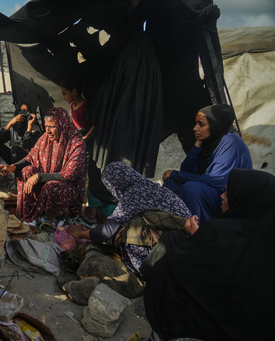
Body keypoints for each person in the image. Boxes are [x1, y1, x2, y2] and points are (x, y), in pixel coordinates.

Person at [142, 169, 275, 340]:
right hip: (254, 331)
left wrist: (194, 236)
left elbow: (190, 264)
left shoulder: (220, 232)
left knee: (170, 242)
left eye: (227, 193)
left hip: (201, 327)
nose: (221, 196)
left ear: (243, 199)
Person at [67, 162, 192, 275]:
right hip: (187, 242)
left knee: (130, 231)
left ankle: (145, 269)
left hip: (170, 248)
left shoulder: (134, 193)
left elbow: (108, 230)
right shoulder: (151, 186)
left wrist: (81, 233)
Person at [163, 104, 252, 223]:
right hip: (214, 191)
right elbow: (186, 170)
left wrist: (174, 174)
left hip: (228, 198)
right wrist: (197, 145)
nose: (195, 128)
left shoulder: (230, 142)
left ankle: (194, 232)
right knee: (171, 183)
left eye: (201, 124)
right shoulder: (210, 142)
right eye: (196, 124)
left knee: (191, 188)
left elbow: (215, 180)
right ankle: (167, 225)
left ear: (215, 125)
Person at [0, 107, 86, 223]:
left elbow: (68, 175)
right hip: (43, 183)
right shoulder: (45, 139)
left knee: (51, 187)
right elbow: (30, 157)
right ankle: (28, 215)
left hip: (65, 188)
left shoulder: (77, 144)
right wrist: (11, 167)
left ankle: (52, 219)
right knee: (26, 171)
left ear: (62, 125)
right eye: (46, 126)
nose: (48, 131)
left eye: (52, 127)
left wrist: (39, 177)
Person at [61, 79, 116, 223]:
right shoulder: (72, 106)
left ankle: (99, 211)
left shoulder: (86, 106)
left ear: (74, 91)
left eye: (65, 93)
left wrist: (84, 137)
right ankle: (92, 209)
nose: (63, 97)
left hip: (91, 143)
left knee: (95, 174)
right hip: (81, 142)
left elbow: (94, 125)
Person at [0, 102, 42, 175]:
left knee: (15, 149)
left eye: (27, 110)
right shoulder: (14, 127)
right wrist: (10, 123)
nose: (24, 113)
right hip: (13, 158)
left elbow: (26, 144)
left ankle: (18, 178)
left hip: (28, 161)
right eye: (22, 110)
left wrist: (29, 127)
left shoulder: (35, 129)